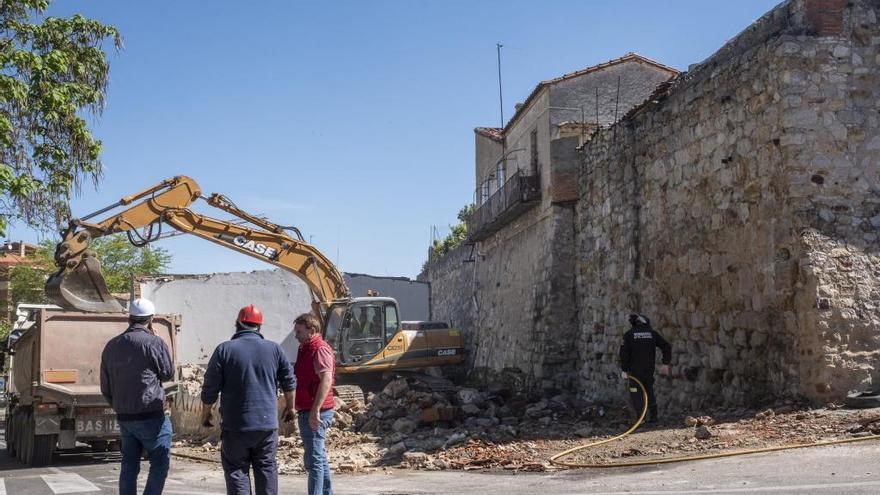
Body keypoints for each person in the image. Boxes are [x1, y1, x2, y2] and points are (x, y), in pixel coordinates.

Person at [200, 304, 296, 495]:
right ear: (259, 327)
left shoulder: (224, 350)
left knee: (237, 472)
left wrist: (206, 413)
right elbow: (289, 382)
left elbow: (210, 387)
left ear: (238, 324)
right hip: (266, 425)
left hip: (236, 426)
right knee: (267, 469)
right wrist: (291, 407)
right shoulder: (274, 349)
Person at [100, 298, 174, 495]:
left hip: (125, 418)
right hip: (151, 415)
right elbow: (167, 373)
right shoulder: (154, 342)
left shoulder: (111, 346)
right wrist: (158, 342)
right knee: (160, 462)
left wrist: (118, 406)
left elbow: (105, 387)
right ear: (150, 319)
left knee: (129, 466)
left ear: (129, 318)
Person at [293, 313, 335, 495]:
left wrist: (315, 410)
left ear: (311, 330)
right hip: (309, 409)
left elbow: (326, 379)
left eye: (299, 331)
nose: (296, 335)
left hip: (316, 411)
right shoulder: (306, 348)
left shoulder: (319, 349)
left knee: (314, 460)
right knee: (319, 458)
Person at [619, 313, 672, 425]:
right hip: (648, 370)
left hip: (634, 372)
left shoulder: (629, 335)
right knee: (649, 390)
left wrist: (624, 370)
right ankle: (653, 418)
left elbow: (624, 354)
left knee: (635, 392)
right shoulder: (652, 334)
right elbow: (666, 346)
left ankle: (640, 419)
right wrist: (665, 363)